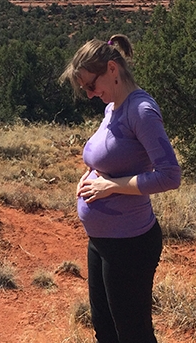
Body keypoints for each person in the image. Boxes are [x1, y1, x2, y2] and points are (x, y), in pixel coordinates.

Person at [60, 34, 181, 343]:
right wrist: (90, 176)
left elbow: (169, 176)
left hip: (130, 243)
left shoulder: (141, 111)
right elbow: (112, 158)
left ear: (112, 69)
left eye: (90, 85)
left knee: (133, 335)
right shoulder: (113, 107)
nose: (89, 94)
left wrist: (109, 186)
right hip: (102, 240)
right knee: (106, 331)